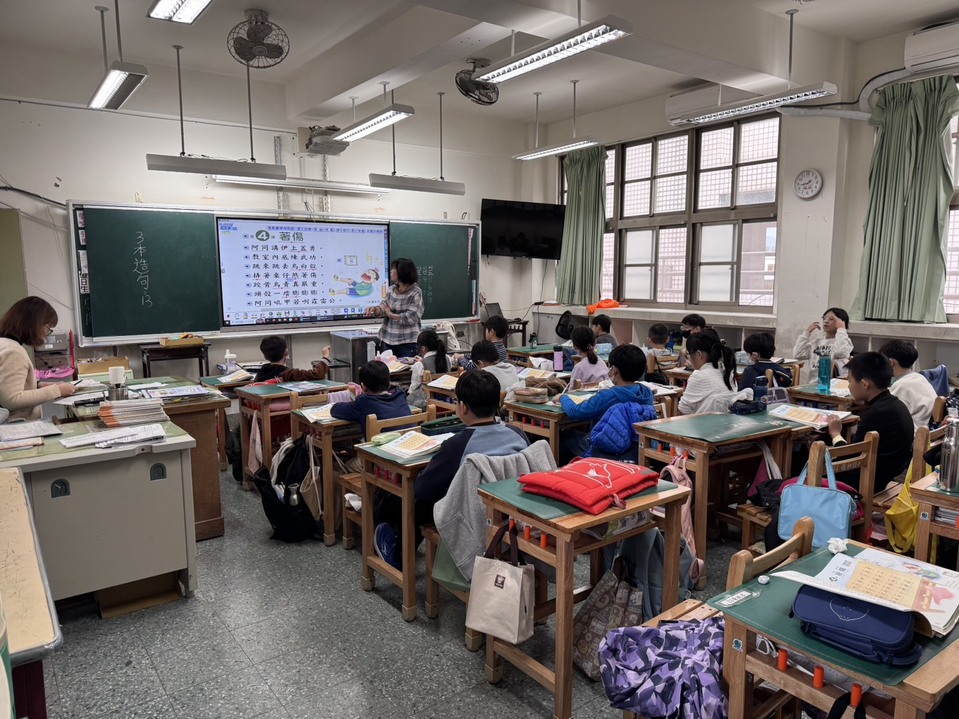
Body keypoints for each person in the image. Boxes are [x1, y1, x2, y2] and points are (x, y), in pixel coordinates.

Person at [373, 370, 529, 568]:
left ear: (462, 407)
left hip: (471, 519)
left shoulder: (458, 444)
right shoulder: (517, 434)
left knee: (412, 500)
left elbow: (423, 489)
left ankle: (399, 552)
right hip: (515, 513)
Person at [825, 351, 914, 493]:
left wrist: (836, 434)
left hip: (866, 481)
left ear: (865, 383)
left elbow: (850, 457)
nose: (849, 386)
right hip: (883, 476)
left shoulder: (877, 413)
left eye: (850, 381)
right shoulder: (895, 405)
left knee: (803, 466)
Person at [559, 344, 656, 461]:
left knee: (563, 437)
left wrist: (563, 398)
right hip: (634, 451)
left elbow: (575, 412)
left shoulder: (609, 395)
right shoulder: (646, 393)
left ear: (614, 370)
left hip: (603, 450)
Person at [0, 296, 75, 420]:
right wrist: (58, 390)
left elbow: (6, 386)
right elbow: (12, 400)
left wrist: (38, 385)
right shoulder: (13, 351)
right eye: (48, 327)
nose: (46, 333)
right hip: (15, 426)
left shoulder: (4, 344)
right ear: (35, 324)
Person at [365, 257, 423, 358]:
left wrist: (391, 315)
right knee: (387, 367)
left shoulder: (416, 292)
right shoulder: (391, 289)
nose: (391, 271)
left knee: (405, 367)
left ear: (402, 272)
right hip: (388, 339)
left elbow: (412, 317)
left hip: (407, 342)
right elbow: (383, 307)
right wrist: (375, 309)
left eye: (393, 269)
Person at [677, 329, 739, 415]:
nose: (689, 358)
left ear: (699, 354)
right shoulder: (728, 372)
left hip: (701, 422)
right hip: (726, 422)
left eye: (688, 354)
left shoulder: (699, 376)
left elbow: (683, 411)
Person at [879, 340, 938, 430]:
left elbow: (884, 414)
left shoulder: (901, 385)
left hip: (913, 433)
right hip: (926, 430)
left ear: (891, 362)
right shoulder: (919, 377)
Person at [793, 307, 853, 384]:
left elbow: (840, 352)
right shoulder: (817, 342)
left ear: (841, 322)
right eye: (824, 318)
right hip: (812, 384)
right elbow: (798, 354)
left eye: (831, 319)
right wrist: (806, 333)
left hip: (832, 385)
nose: (826, 321)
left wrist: (841, 329)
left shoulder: (844, 341)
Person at [253, 335, 333, 382]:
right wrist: (325, 356)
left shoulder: (260, 373)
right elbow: (317, 374)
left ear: (265, 356)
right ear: (286, 353)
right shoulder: (289, 374)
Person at [407, 329, 450, 410]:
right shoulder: (447, 358)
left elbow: (413, 389)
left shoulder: (419, 365)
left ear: (423, 348)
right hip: (447, 400)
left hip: (428, 404)